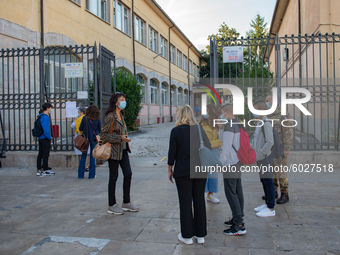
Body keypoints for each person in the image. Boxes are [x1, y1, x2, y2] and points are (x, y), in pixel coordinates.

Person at [168, 105, 210, 245]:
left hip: (183, 171)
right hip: (200, 170)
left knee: (185, 202)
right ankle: (201, 235)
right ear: (192, 115)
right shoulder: (199, 129)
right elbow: (208, 148)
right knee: (199, 201)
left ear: (179, 115)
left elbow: (171, 154)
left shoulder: (176, 131)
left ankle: (187, 236)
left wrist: (170, 170)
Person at [100, 92, 138, 215]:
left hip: (124, 150)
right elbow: (104, 135)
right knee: (113, 177)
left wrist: (124, 139)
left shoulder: (121, 115)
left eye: (124, 99)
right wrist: (120, 138)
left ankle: (126, 202)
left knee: (128, 174)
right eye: (121, 100)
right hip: (114, 151)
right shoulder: (110, 117)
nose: (123, 102)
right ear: (115, 102)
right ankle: (112, 205)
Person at [218, 103, 246, 235]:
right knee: (237, 190)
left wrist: (221, 163)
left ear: (228, 112)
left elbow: (226, 147)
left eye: (222, 112)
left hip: (230, 163)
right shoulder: (238, 123)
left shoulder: (229, 125)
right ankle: (238, 217)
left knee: (231, 193)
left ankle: (239, 224)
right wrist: (219, 129)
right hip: (238, 161)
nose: (221, 115)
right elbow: (227, 141)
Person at [265, 95, 293, 204]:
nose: (266, 103)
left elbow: (288, 131)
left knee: (280, 171)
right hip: (270, 147)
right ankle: (274, 191)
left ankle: (285, 193)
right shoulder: (267, 114)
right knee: (272, 170)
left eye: (268, 101)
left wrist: (286, 148)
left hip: (279, 147)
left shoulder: (283, 113)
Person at [253, 100, 276, 217]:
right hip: (260, 157)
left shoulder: (266, 123)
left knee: (268, 181)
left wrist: (260, 154)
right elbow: (257, 140)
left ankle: (271, 207)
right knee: (263, 180)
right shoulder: (259, 122)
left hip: (265, 157)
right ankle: (267, 203)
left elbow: (269, 142)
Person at [199, 103, 222, 204]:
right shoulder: (200, 124)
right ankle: (199, 194)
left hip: (214, 151)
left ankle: (210, 194)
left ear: (210, 111)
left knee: (213, 173)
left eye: (206, 111)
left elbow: (221, 139)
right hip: (203, 151)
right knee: (202, 173)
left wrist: (210, 144)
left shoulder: (218, 124)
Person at [78, 105, 101, 179]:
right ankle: (92, 175)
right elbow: (99, 130)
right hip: (94, 139)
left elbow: (80, 128)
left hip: (85, 139)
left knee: (83, 156)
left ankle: (80, 175)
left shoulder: (85, 118)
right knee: (92, 157)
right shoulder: (97, 119)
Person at [36, 103, 55, 176]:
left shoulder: (40, 116)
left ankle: (39, 169)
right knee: (45, 154)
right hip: (45, 137)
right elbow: (46, 129)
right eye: (50, 108)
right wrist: (50, 137)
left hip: (40, 137)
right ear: (47, 108)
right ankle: (46, 169)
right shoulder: (45, 117)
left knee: (40, 153)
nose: (51, 110)